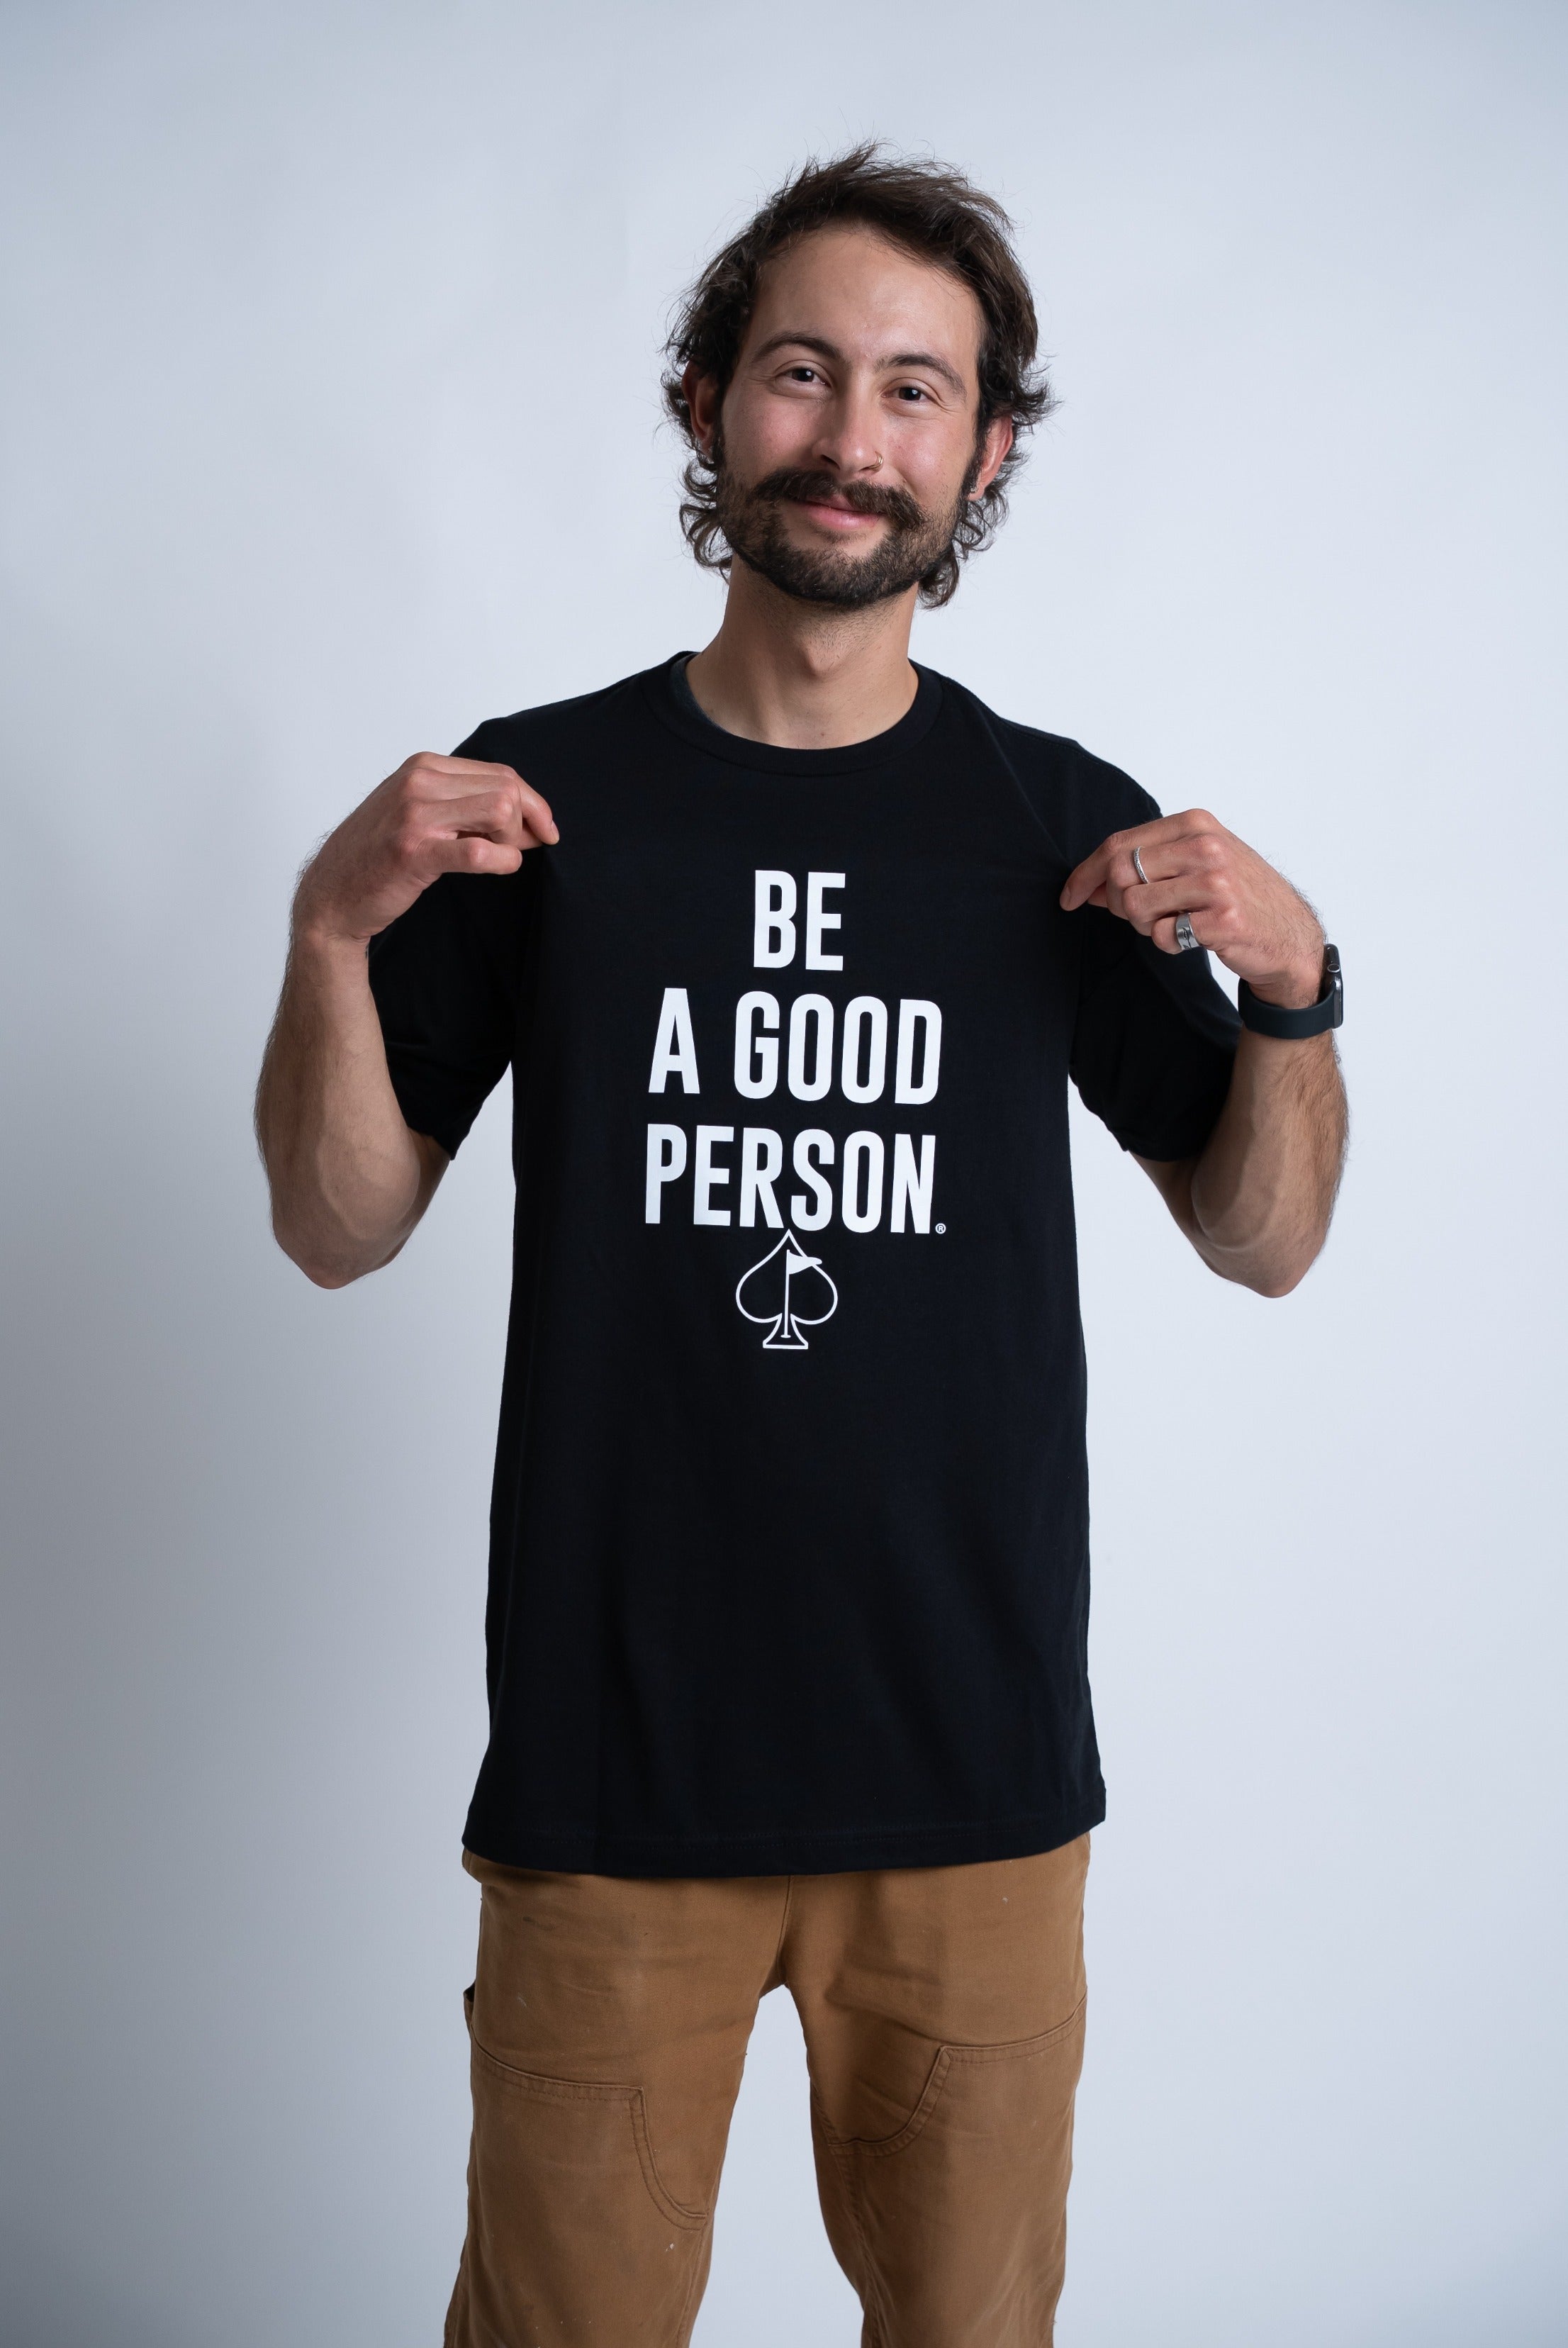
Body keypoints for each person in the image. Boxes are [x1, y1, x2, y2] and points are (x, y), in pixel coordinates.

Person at [256, 144, 1347, 2348]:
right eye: (801, 375)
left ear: (986, 448)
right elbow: (334, 1224)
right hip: (604, 1779)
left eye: (916, 392)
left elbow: (1261, 1241)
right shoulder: (537, 799)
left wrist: (1297, 993)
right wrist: (326, 928)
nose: (854, 441)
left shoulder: (1056, 827)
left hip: (968, 1790)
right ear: (702, 403)